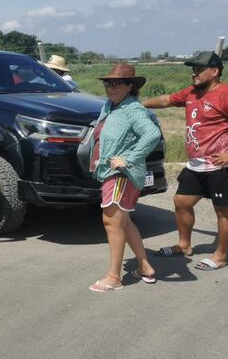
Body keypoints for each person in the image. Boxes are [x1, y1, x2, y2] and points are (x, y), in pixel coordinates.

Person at [143, 51, 228, 271]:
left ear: (214, 72)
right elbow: (167, 100)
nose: (194, 73)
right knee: (182, 202)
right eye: (193, 69)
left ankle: (221, 255)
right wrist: (140, 105)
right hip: (197, 163)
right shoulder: (191, 93)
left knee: (223, 210)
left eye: (199, 69)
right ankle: (184, 245)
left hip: (223, 164)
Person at [88, 63, 161, 292]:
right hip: (111, 172)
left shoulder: (132, 110)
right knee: (125, 222)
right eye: (107, 83)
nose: (110, 87)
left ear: (130, 86)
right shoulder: (111, 106)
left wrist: (128, 158)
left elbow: (152, 134)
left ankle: (114, 277)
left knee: (112, 223)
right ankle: (145, 266)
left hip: (121, 174)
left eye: (117, 83)